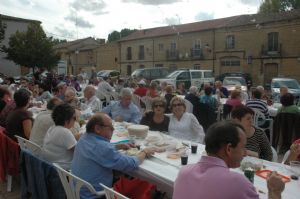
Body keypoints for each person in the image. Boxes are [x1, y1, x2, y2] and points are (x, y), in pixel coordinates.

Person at [173, 121, 285, 199]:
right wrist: (274, 192)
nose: (245, 152)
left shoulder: (184, 172)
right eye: (243, 147)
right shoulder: (239, 182)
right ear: (229, 149)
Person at [71, 113, 158, 198]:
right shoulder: (104, 147)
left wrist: (117, 146)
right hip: (95, 195)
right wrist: (145, 152)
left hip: (77, 190)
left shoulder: (84, 137)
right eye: (110, 127)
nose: (113, 129)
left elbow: (97, 150)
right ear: (97, 128)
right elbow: (131, 164)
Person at [42, 103, 77, 170]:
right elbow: (79, 151)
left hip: (50, 166)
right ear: (67, 121)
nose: (75, 120)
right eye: (74, 118)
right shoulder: (65, 132)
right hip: (62, 171)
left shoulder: (52, 128)